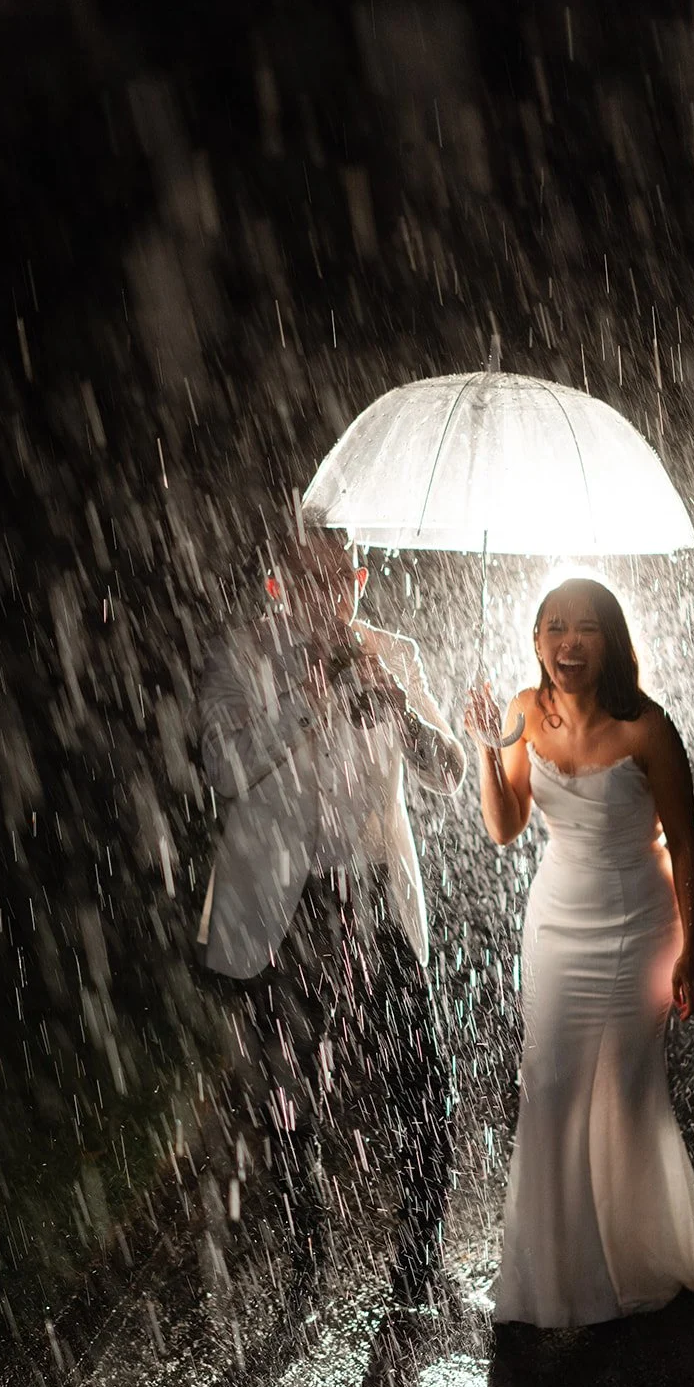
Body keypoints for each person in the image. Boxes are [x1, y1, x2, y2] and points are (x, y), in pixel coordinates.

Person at [465, 577, 694, 1327]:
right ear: (535, 642)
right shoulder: (525, 713)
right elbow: (504, 827)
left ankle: (633, 1253)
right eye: (553, 628)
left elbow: (684, 843)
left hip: (637, 924)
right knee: (550, 1083)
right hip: (556, 918)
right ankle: (549, 1275)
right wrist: (485, 754)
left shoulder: (648, 728)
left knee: (625, 1091)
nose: (567, 643)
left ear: (610, 642)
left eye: (584, 628)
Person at [198, 523, 465, 1307]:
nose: (330, 594)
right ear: (283, 581)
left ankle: (419, 1261)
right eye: (311, 578)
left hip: (375, 890)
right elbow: (224, 766)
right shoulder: (244, 653)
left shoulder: (395, 652)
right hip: (288, 900)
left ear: (358, 578)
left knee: (420, 1072)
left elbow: (446, 772)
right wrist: (304, 707)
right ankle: (307, 1250)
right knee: (289, 1087)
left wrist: (405, 714)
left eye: (341, 576)